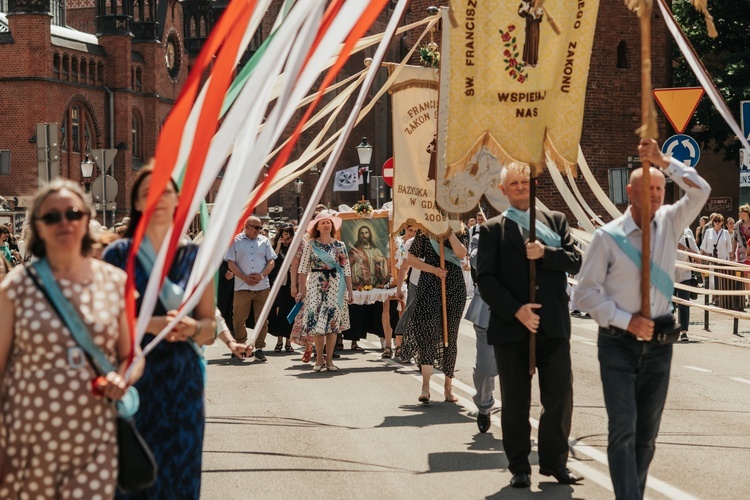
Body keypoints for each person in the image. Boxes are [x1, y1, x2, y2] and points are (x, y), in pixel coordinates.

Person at [576, 138, 710, 499]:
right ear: (630, 193)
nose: (654, 194)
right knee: (623, 428)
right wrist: (623, 319)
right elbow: (584, 293)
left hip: (660, 343)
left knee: (647, 436)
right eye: (647, 188)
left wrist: (664, 162)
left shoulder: (670, 221)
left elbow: (701, 191)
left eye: (659, 189)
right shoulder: (607, 237)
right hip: (618, 345)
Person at [1, 179, 143, 498]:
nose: (64, 222)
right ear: (37, 226)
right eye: (52, 217)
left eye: (73, 213)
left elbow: (131, 354)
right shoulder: (15, 287)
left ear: (86, 219)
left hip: (94, 439)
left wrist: (122, 378)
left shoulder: (115, 282)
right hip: (25, 442)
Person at [103, 167, 216, 499]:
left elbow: (209, 327)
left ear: (178, 200)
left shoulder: (195, 258)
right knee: (133, 475)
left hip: (183, 384)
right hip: (134, 379)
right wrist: (155, 325)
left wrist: (193, 327)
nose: (159, 199)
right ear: (137, 204)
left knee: (181, 473)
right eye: (148, 193)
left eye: (166, 192)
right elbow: (105, 324)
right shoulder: (117, 255)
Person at [476, 161, 582, 488]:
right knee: (516, 401)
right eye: (515, 184)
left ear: (534, 185)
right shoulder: (494, 228)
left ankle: (554, 463)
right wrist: (516, 310)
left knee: (560, 396)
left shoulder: (556, 221)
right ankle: (519, 466)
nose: (521, 187)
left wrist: (545, 253)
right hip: (512, 326)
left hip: (553, 324)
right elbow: (486, 279)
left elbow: (575, 261)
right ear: (504, 190)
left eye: (525, 182)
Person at [399, 225, 468, 404]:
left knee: (450, 336)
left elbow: (461, 253)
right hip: (429, 283)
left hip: (453, 285)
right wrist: (433, 270)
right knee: (428, 333)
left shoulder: (461, 230)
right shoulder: (424, 231)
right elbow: (411, 259)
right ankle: (426, 387)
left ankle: (448, 387)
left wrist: (449, 232)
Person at [297, 211, 353, 372]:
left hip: (336, 286)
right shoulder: (310, 244)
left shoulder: (339, 245)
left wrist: (350, 290)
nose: (326, 225)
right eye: (323, 223)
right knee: (317, 323)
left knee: (332, 324)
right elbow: (302, 269)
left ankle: (329, 361)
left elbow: (346, 269)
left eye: (328, 222)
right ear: (317, 227)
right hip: (316, 285)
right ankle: (319, 359)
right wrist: (302, 290)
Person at [225, 215, 277, 362]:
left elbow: (271, 261)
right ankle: (241, 345)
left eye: (260, 227)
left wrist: (261, 275)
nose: (258, 230)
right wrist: (244, 277)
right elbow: (231, 263)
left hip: (262, 287)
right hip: (242, 287)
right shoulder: (235, 241)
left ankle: (259, 348)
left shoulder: (264, 241)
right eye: (256, 227)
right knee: (238, 319)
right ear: (246, 226)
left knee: (262, 319)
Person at [465, 231, 497, 433]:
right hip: (488, 311)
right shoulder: (484, 235)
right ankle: (484, 405)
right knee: (485, 369)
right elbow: (476, 259)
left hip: (522, 314)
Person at [268, 224, 296, 352]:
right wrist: (279, 245)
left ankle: (288, 342)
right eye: (284, 233)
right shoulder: (274, 244)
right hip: (278, 282)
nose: (287, 236)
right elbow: (272, 259)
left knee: (290, 312)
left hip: (291, 282)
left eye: (289, 233)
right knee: (278, 311)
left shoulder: (295, 246)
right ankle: (279, 341)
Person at [699, 213, 731, 302]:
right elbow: (704, 245)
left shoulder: (725, 233)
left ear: (722, 222)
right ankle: (714, 295)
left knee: (721, 279)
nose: (717, 222)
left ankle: (719, 296)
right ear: (713, 222)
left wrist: (731, 259)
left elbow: (729, 248)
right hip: (712, 259)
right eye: (715, 221)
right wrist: (700, 257)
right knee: (712, 279)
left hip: (722, 259)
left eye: (719, 221)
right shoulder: (709, 231)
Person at [675, 227, 699, 341]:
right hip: (668, 275)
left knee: (684, 304)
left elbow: (697, 255)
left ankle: (684, 332)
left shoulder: (687, 233)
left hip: (684, 274)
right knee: (667, 306)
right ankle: (668, 331)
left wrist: (684, 249)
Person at [349, 224, 388, 288]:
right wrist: (358, 263)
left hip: (376, 283)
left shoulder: (376, 251)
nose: (364, 235)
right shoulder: (354, 251)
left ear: (369, 234)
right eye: (362, 233)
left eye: (366, 233)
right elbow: (348, 267)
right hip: (361, 285)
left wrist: (382, 260)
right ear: (359, 236)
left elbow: (384, 272)